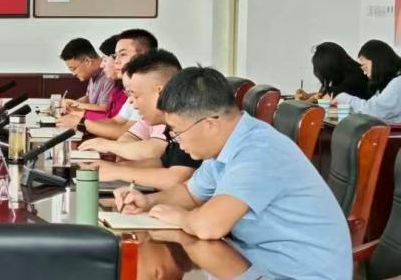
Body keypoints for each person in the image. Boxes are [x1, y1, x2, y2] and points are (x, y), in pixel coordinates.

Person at [115, 67, 351, 280]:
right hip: (257, 262)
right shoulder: (226, 146)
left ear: (209, 124)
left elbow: (209, 226)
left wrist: (182, 218)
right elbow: (190, 193)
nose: (176, 141)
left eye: (177, 132)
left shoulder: (259, 151)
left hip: (296, 273)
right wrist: (147, 201)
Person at [79, 50, 201, 190]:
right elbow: (161, 163)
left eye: (136, 96)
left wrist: (117, 171)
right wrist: (111, 168)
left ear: (160, 93)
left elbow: (177, 177)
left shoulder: (190, 121)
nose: (133, 104)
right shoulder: (170, 125)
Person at [59, 29, 158, 140]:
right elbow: (116, 121)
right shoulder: (131, 87)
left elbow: (126, 131)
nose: (116, 61)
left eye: (122, 54)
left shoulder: (148, 90)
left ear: (144, 56)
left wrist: (81, 121)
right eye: (115, 56)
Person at [334, 39, 401, 122]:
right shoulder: (387, 83)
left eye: (365, 67)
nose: (365, 73)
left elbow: (373, 112)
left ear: (377, 62)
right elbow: (369, 108)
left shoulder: (398, 83)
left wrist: (343, 98)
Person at [294, 42, 371, 102]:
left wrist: (303, 102)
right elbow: (325, 95)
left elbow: (327, 99)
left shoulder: (350, 82)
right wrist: (307, 96)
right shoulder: (350, 70)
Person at [58, 38, 114, 114]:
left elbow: (104, 108)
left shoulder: (110, 74)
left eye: (73, 69)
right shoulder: (92, 73)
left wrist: (75, 104)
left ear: (87, 61)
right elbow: (88, 98)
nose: (73, 74)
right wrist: (69, 104)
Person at [82, 35, 127, 121]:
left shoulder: (127, 91)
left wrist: (80, 116)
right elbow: (110, 116)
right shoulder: (118, 89)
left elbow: (113, 121)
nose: (101, 65)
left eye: (105, 60)